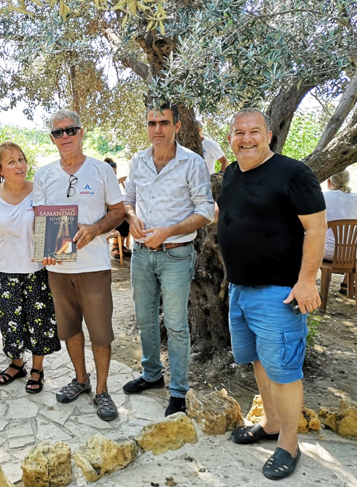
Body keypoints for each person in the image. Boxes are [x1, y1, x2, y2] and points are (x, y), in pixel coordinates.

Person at [217, 108, 326, 480]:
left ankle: (289, 445)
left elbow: (316, 229)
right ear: (230, 138)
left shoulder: (294, 173)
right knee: (260, 362)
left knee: (284, 371)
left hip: (279, 293)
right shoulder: (231, 173)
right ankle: (271, 423)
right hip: (240, 289)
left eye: (254, 132)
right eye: (239, 132)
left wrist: (306, 281)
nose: (246, 139)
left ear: (268, 136)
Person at [122, 104, 214, 417]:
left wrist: (169, 231)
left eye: (164, 122)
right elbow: (128, 200)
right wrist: (132, 218)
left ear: (177, 126)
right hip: (141, 255)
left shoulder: (192, 162)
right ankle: (152, 375)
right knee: (145, 319)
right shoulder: (138, 160)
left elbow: (205, 211)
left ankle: (178, 392)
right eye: (152, 123)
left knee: (175, 325)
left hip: (176, 254)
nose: (157, 129)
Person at [33, 108, 125, 421]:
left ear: (81, 133)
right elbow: (40, 218)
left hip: (94, 267)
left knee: (100, 332)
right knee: (69, 329)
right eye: (58, 132)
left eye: (70, 130)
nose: (65, 136)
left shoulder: (101, 170)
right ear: (52, 139)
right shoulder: (44, 175)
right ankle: (81, 380)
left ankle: (102, 391)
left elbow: (118, 211)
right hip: (58, 269)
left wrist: (95, 229)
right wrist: (44, 247)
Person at [0, 142, 61, 393]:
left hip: (36, 271)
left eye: (21, 159)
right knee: (10, 321)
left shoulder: (39, 192)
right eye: (11, 161)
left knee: (39, 321)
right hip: (4, 271)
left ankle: (37, 368)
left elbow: (55, 226)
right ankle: (16, 364)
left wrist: (57, 250)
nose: (19, 165)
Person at [323, 170, 357, 266]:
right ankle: (349, 276)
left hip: (326, 252)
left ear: (329, 182)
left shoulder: (322, 197)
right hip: (354, 253)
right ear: (347, 181)